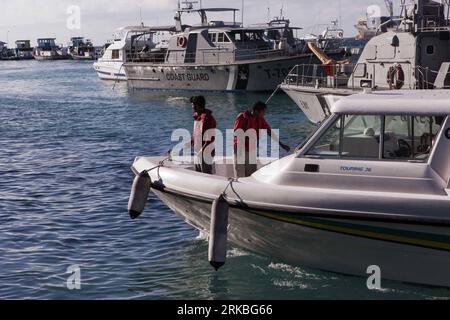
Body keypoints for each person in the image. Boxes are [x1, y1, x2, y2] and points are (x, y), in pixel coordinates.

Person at [233, 101, 290, 178]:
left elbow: (269, 131)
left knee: (251, 174)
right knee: (240, 174)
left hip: (251, 149)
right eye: (263, 112)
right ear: (256, 111)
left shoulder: (260, 119)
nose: (264, 114)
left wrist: (281, 144)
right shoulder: (242, 118)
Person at [190, 96, 217, 175]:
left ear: (198, 106)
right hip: (198, 151)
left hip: (205, 151)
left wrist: (202, 150)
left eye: (193, 105)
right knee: (198, 173)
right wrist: (191, 141)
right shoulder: (197, 117)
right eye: (192, 105)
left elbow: (209, 138)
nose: (192, 107)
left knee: (206, 174)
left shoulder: (208, 118)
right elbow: (196, 134)